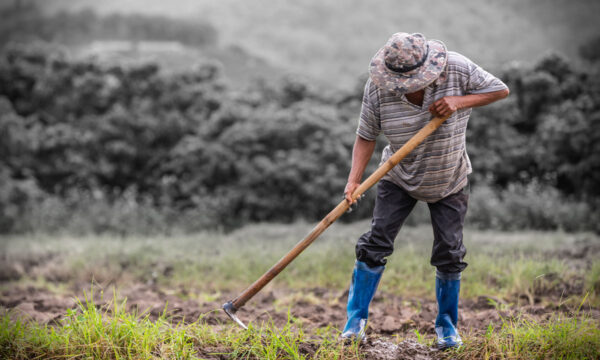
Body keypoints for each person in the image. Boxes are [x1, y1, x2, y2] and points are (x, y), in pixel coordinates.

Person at [341, 32, 509, 349]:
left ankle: (447, 328)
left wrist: (459, 101)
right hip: (398, 174)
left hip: (450, 176)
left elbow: (499, 89)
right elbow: (366, 135)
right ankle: (354, 323)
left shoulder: (457, 68)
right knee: (375, 243)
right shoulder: (378, 88)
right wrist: (354, 181)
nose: (405, 87)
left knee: (449, 251)